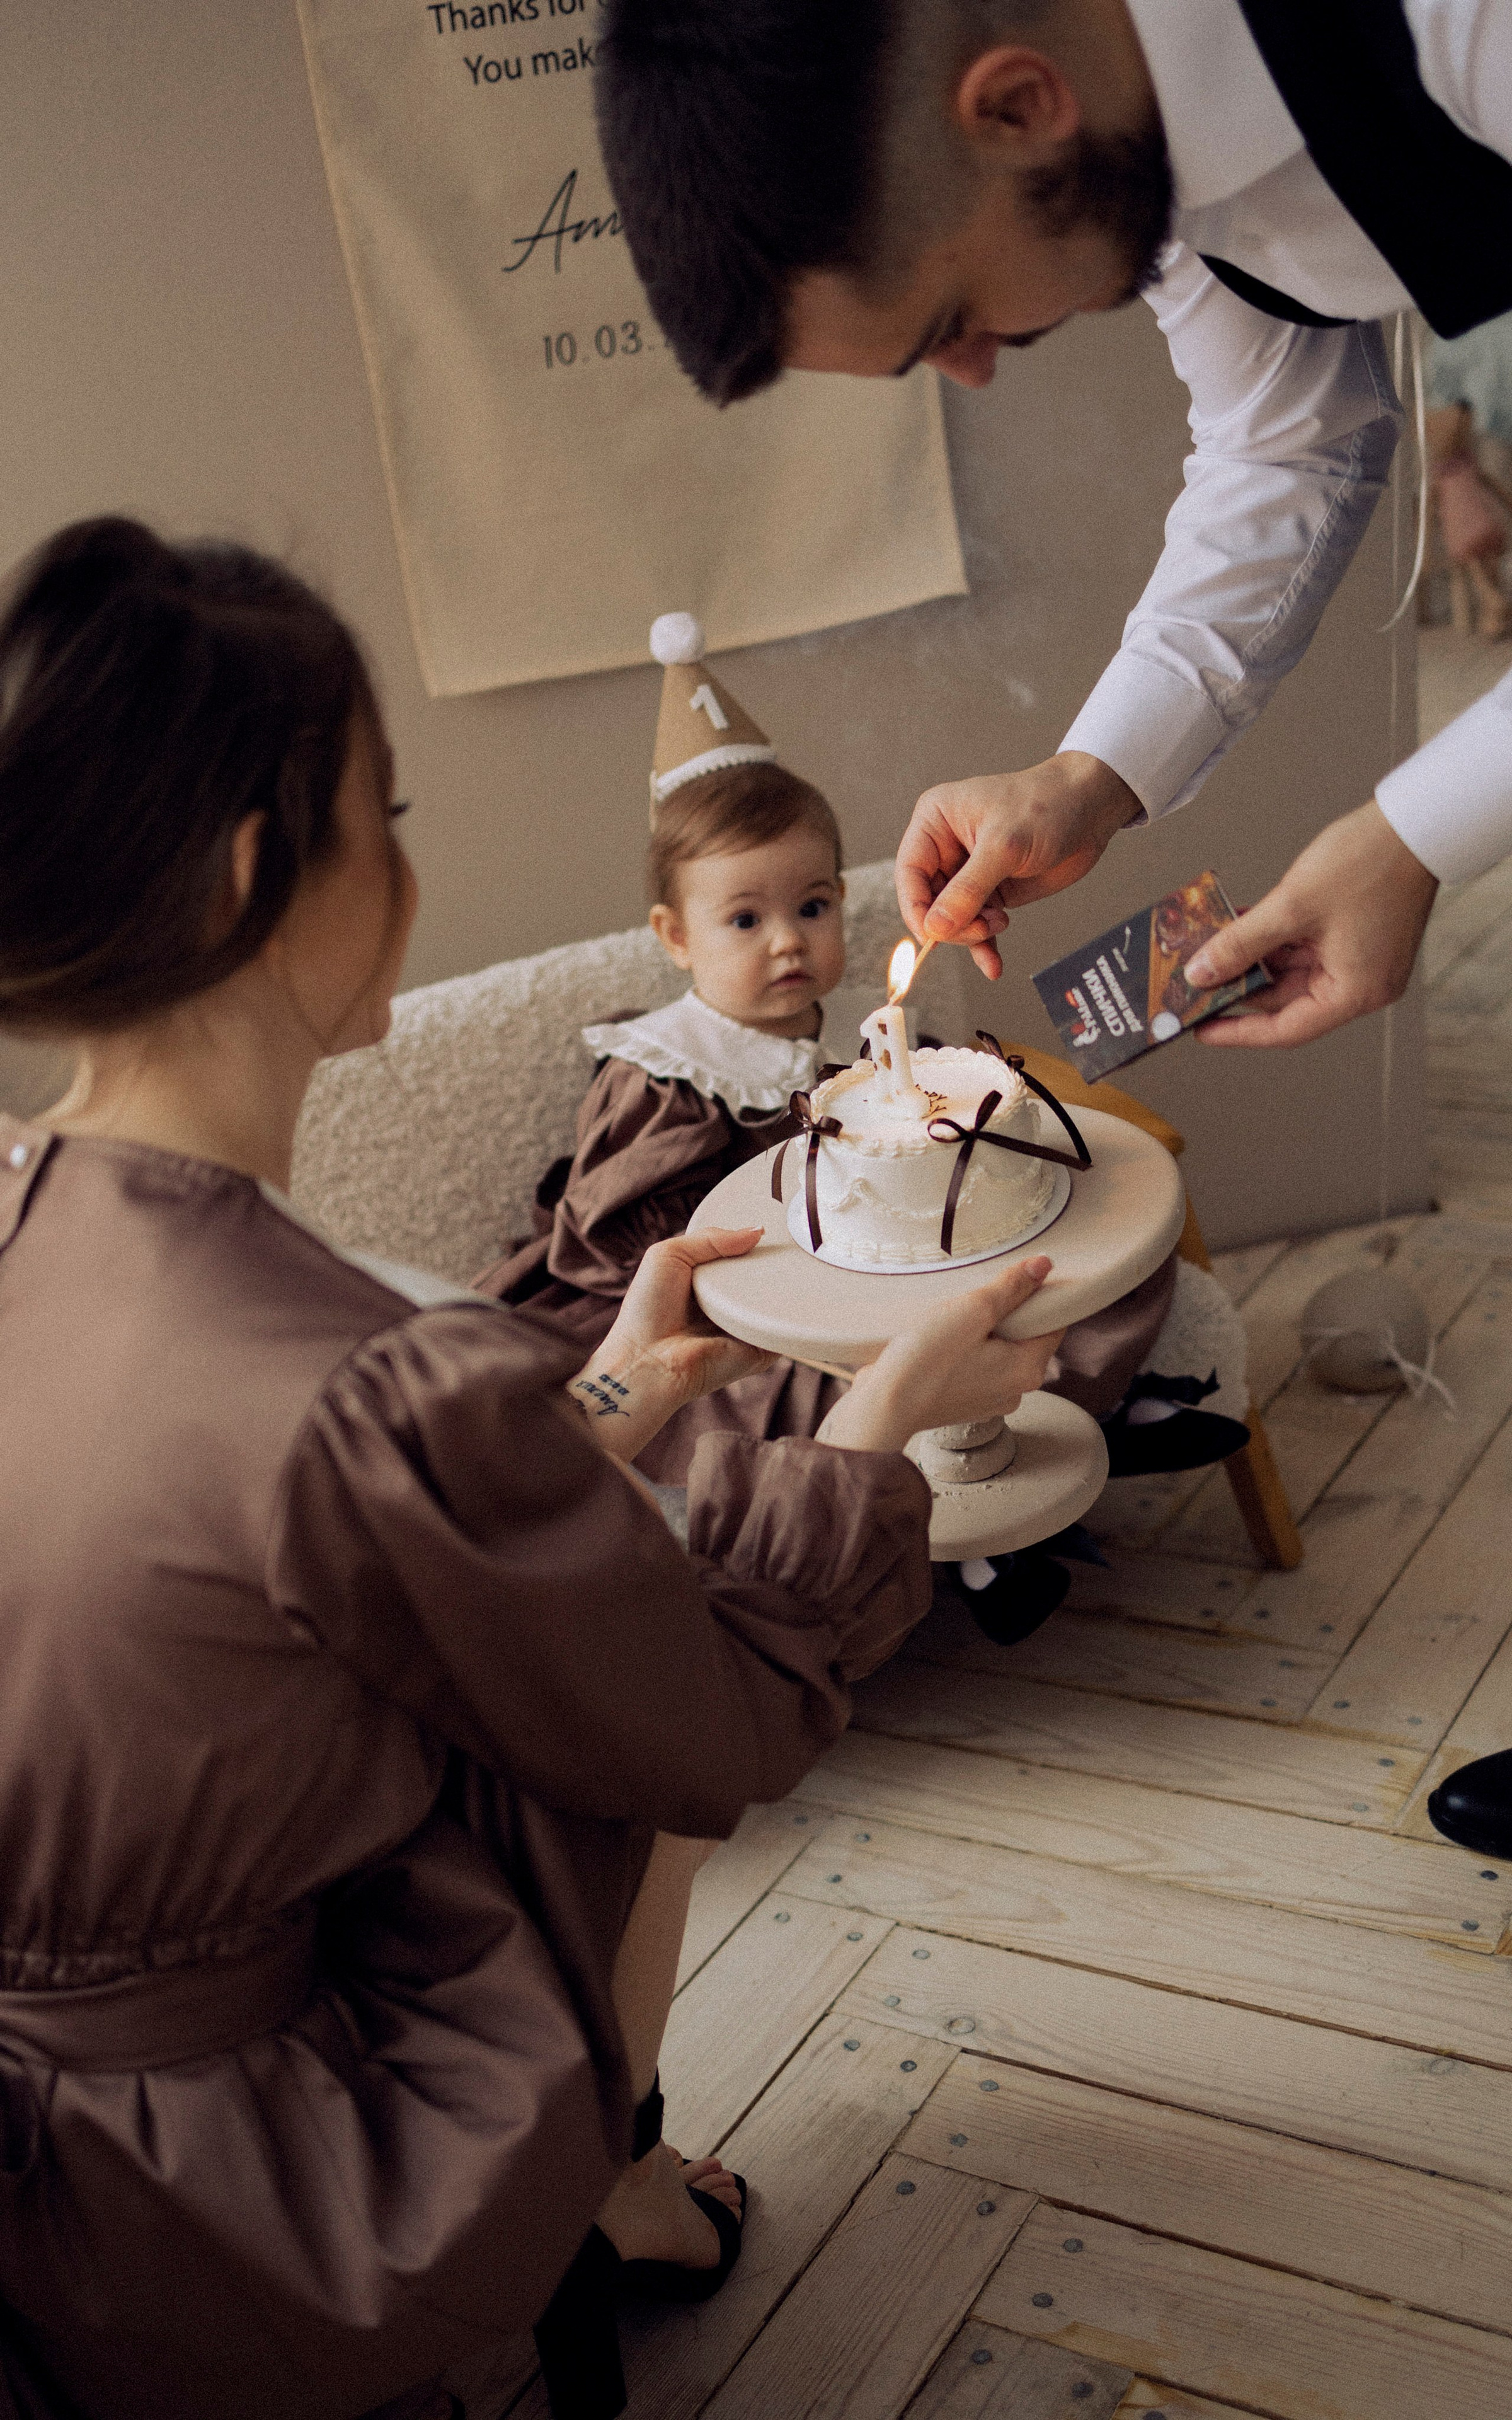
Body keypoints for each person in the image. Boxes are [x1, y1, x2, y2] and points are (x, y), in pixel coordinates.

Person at [595, 0, 1512, 2013]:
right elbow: (1291, 440)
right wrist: (1098, 773)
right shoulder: (1137, 141)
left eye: (954, 317)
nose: (980, 362)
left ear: (1017, 103)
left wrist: (1414, 829)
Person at [0, 516, 1067, 2420]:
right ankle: (613, 2184)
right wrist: (881, 1422)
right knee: (625, 1748)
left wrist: (615, 1400)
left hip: (54, 2122)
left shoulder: (29, 1230)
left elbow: (245, 1586)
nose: (406, 871)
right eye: (384, 816)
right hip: (243, 2189)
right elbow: (716, 1720)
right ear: (268, 871)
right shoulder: (362, 1374)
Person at [478, 618, 1249, 1640]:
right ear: (674, 937)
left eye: (813, 905)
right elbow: (612, 1238)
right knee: (796, 1390)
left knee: (1089, 1245)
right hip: (752, 1289)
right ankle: (965, 1541)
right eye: (745, 920)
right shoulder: (669, 1067)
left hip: (912, 1246)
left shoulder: (870, 1032)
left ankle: (1082, 1421)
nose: (789, 941)